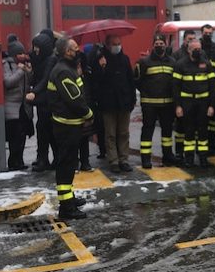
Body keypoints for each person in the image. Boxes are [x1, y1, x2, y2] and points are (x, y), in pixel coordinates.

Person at [48, 37, 92, 220]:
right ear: (67, 52)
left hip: (70, 125)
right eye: (75, 48)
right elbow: (74, 99)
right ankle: (66, 207)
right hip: (66, 126)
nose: (78, 50)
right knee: (66, 165)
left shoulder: (68, 69)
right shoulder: (63, 72)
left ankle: (69, 198)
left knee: (69, 163)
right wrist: (89, 114)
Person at [92, 35, 136, 173]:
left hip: (124, 102)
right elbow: (96, 82)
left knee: (123, 133)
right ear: (108, 45)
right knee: (110, 134)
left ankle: (124, 159)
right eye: (114, 44)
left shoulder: (125, 59)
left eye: (119, 43)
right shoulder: (100, 60)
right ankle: (113, 161)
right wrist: (101, 68)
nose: (117, 46)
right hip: (108, 103)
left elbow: (131, 81)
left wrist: (132, 99)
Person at [134, 34, 176, 168]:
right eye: (157, 43)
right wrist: (147, 92)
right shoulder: (144, 62)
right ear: (153, 45)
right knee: (147, 131)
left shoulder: (172, 62)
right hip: (150, 104)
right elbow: (136, 81)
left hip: (167, 104)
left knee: (167, 132)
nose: (159, 46)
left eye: (161, 43)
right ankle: (146, 159)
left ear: (165, 45)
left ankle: (168, 156)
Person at [173, 38, 215, 168]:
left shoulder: (207, 64)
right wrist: (178, 106)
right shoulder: (180, 64)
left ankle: (203, 158)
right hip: (187, 103)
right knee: (189, 131)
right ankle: (189, 158)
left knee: (203, 131)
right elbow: (175, 87)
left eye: (199, 49)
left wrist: (211, 106)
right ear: (188, 50)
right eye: (194, 49)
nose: (197, 51)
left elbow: (213, 87)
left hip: (203, 103)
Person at [27, 31, 58, 172]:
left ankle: (50, 158)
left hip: (48, 100)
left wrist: (34, 92)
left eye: (37, 47)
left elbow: (45, 79)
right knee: (43, 130)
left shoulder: (51, 59)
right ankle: (43, 158)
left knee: (48, 131)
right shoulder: (40, 58)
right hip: (42, 101)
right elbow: (36, 78)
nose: (35, 50)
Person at [3, 40, 33, 171]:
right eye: (20, 53)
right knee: (14, 135)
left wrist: (29, 71)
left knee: (23, 134)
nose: (23, 55)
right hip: (12, 106)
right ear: (14, 54)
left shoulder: (23, 65)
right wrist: (20, 71)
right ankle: (13, 162)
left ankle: (20, 160)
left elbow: (30, 81)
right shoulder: (6, 65)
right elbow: (8, 82)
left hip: (24, 106)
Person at [173, 30, 197, 157]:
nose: (191, 41)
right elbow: (175, 82)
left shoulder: (199, 54)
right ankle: (179, 151)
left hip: (196, 99)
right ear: (184, 40)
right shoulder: (177, 55)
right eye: (189, 39)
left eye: (194, 38)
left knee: (193, 128)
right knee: (180, 128)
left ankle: (193, 152)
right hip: (182, 98)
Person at [200, 24, 215, 151]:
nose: (208, 35)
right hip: (199, 88)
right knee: (201, 120)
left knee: (214, 120)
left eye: (210, 33)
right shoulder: (197, 48)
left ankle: (212, 143)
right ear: (201, 32)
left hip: (214, 89)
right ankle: (201, 146)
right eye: (205, 33)